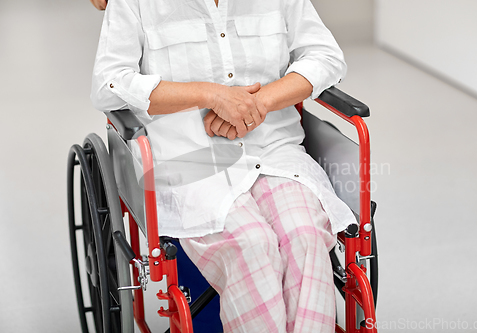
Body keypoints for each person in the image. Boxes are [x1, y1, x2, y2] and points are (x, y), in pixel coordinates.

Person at [91, 0, 357, 332]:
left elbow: (326, 57)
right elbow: (108, 84)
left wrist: (257, 103)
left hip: (274, 151)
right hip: (190, 160)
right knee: (251, 243)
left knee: (304, 235)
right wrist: (209, 95)